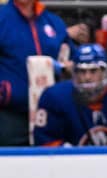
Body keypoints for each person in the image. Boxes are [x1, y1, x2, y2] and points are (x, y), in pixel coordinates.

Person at [33, 44, 107, 146]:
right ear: (74, 73)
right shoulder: (54, 98)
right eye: (82, 71)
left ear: (105, 72)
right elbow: (45, 144)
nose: (87, 77)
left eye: (93, 71)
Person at [0, 0, 70, 146]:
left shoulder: (54, 22)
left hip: (50, 116)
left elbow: (71, 56)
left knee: (51, 166)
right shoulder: (2, 18)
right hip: (10, 115)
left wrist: (69, 66)